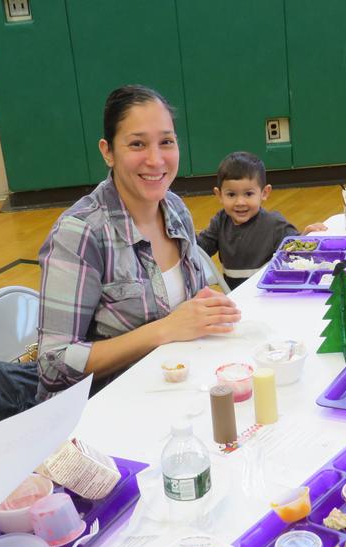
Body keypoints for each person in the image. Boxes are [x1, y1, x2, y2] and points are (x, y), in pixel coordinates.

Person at [37, 85, 241, 400]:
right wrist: (163, 330)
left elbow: (187, 312)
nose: (156, 159)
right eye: (137, 144)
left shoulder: (174, 209)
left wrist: (206, 311)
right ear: (107, 151)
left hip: (174, 392)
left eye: (166, 142)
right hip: (103, 414)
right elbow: (54, 365)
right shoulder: (81, 233)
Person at [196, 151, 326, 289]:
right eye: (231, 194)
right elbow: (199, 249)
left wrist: (305, 237)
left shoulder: (274, 224)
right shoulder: (220, 222)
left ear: (264, 193)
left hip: (267, 294)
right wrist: (181, 235)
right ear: (219, 195)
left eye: (248, 194)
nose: (240, 202)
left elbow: (294, 250)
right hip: (235, 298)